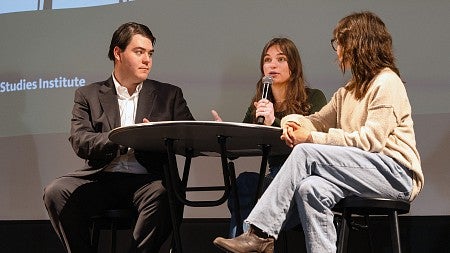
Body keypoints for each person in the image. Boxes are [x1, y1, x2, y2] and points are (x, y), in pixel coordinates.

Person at [213, 11, 424, 253]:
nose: (337, 50)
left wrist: (309, 137)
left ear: (358, 43)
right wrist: (290, 123)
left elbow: (371, 141)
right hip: (365, 171)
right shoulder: (348, 91)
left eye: (340, 42)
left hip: (395, 174)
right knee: (309, 188)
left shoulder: (386, 82)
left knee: (305, 152)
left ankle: (261, 233)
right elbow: (316, 120)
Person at [43, 22, 194, 253]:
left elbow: (189, 138)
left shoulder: (169, 95)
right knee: (56, 191)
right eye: (139, 52)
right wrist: (121, 138)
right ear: (118, 53)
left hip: (149, 181)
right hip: (102, 179)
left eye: (150, 54)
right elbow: (80, 140)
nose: (147, 60)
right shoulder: (88, 94)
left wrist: (198, 132)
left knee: (164, 193)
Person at [212, 37, 327, 237]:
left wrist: (273, 122)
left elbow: (313, 142)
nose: (272, 64)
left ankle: (252, 240)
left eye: (281, 59)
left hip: (305, 178)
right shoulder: (260, 105)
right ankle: (246, 240)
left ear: (294, 66)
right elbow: (241, 146)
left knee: (255, 198)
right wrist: (226, 135)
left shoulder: (314, 98)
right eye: (267, 60)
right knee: (245, 183)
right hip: (274, 176)